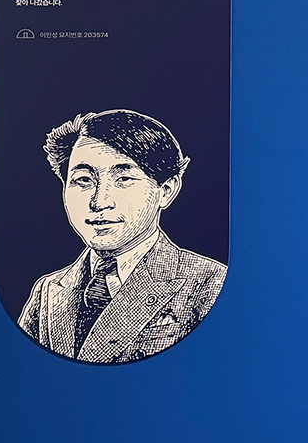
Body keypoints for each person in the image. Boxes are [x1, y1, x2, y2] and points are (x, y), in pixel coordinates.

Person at [17, 109, 226, 364]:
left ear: (166, 191)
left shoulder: (211, 283)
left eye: (124, 179)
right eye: (83, 180)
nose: (99, 201)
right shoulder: (48, 290)